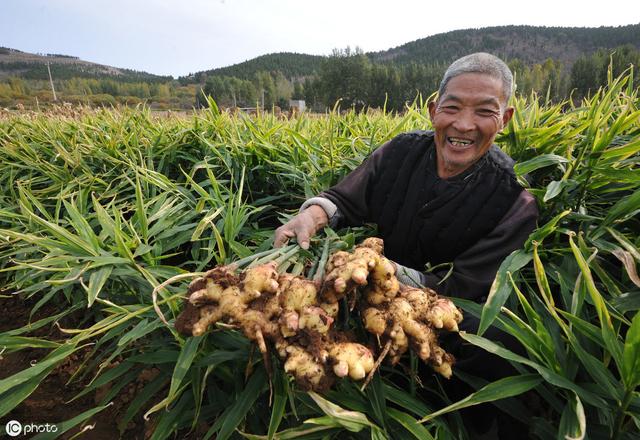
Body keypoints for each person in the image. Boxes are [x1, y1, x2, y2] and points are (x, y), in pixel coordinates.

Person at [274, 52, 539, 436]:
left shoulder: (514, 200)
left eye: (484, 111)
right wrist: (311, 215)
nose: (464, 124)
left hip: (445, 314)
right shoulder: (399, 153)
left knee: (492, 337)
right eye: (452, 107)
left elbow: (465, 289)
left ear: (506, 119)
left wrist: (389, 273)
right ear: (434, 110)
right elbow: (345, 198)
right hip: (367, 291)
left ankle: (469, 419)